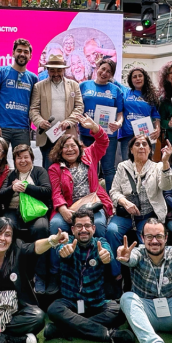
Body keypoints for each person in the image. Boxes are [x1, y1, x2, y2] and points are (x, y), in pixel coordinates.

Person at [45, 210, 134, 343]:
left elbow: (107, 253)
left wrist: (106, 256)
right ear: (73, 229)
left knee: (119, 311)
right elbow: (62, 249)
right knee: (54, 309)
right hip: (71, 303)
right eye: (79, 226)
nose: (83, 230)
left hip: (96, 303)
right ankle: (108, 334)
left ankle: (63, 329)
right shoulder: (67, 242)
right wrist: (64, 252)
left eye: (87, 226)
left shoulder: (101, 243)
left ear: (93, 228)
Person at [47, 115, 113, 281]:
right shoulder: (55, 168)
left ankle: (100, 269)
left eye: (73, 146)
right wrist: (63, 210)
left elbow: (103, 142)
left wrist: (95, 128)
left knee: (98, 225)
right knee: (55, 225)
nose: (70, 149)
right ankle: (55, 271)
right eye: (65, 147)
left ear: (79, 147)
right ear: (60, 150)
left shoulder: (90, 155)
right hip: (68, 208)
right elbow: (56, 192)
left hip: (93, 205)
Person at [106, 136, 172, 290]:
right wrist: (124, 202)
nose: (141, 147)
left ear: (150, 149)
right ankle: (116, 274)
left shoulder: (157, 166)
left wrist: (165, 162)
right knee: (111, 231)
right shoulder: (123, 166)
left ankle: (146, 279)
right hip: (125, 215)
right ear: (131, 149)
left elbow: (167, 185)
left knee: (148, 242)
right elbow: (114, 191)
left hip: (148, 215)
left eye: (145, 144)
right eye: (137, 144)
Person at [29, 52, 84, 169]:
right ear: (47, 70)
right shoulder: (39, 86)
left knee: (69, 169)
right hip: (47, 136)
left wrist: (69, 121)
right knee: (49, 169)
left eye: (59, 70)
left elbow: (79, 107)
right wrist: (40, 122)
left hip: (67, 135)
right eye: (52, 70)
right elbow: (33, 109)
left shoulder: (74, 85)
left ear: (64, 70)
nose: (56, 74)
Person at [79, 58, 125, 188]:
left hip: (108, 135)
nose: (104, 73)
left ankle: (111, 198)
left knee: (108, 169)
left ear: (112, 75)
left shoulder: (116, 90)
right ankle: (89, 197)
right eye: (103, 69)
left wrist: (118, 123)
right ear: (97, 68)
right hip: (87, 134)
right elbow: (76, 107)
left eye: (109, 71)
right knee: (88, 167)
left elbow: (120, 114)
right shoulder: (83, 86)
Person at [0, 143, 52, 246]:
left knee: (41, 227)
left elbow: (47, 191)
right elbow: (0, 196)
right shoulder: (11, 174)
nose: (23, 161)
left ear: (32, 159)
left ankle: (39, 255)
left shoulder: (40, 171)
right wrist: (12, 188)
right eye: (19, 158)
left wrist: (25, 187)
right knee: (7, 227)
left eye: (26, 157)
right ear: (14, 161)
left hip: (36, 211)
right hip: (13, 210)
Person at [0, 38, 37, 149]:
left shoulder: (33, 78)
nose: (22, 54)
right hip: (1, 127)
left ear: (30, 56)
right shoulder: (1, 72)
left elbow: (33, 105)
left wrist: (29, 126)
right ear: (13, 53)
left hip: (22, 129)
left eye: (26, 52)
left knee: (22, 158)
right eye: (19, 51)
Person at [118, 66, 162, 164]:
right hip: (128, 135)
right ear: (130, 80)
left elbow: (156, 116)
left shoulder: (152, 96)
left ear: (144, 77)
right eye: (134, 77)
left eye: (140, 76)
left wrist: (157, 129)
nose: (137, 78)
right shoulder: (125, 92)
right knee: (128, 166)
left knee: (146, 165)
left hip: (146, 135)